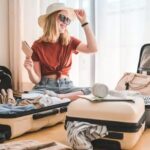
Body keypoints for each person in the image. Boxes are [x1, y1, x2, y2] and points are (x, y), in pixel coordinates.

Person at [24, 2, 97, 101]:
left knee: (94, 90)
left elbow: (93, 49)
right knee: (27, 98)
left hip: (67, 87)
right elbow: (37, 79)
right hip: (45, 87)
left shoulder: (69, 41)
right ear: (52, 19)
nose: (65, 23)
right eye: (63, 18)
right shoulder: (37, 45)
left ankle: (58, 98)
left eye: (68, 20)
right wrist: (29, 70)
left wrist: (84, 22)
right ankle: (54, 99)